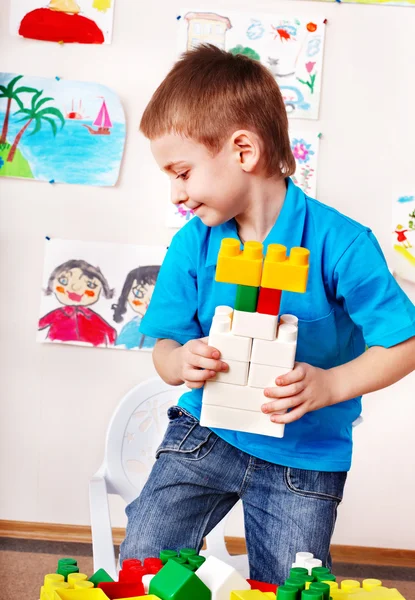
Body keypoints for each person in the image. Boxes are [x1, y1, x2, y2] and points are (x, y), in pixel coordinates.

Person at [119, 45, 415, 584]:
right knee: (144, 560)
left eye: (182, 172)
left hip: (305, 458)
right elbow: (163, 346)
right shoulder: (193, 244)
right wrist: (180, 360)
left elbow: (405, 342)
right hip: (205, 434)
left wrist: (331, 384)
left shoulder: (341, 243)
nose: (175, 193)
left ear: (243, 149)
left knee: (292, 585)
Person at [39, 259, 116, 346]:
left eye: (90, 285)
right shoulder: (58, 313)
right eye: (64, 281)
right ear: (52, 284)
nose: (75, 288)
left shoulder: (92, 316)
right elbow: (39, 324)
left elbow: (110, 331)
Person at [112, 265, 160, 350]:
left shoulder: (167, 330)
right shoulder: (130, 327)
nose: (148, 301)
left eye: (157, 295)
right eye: (139, 293)